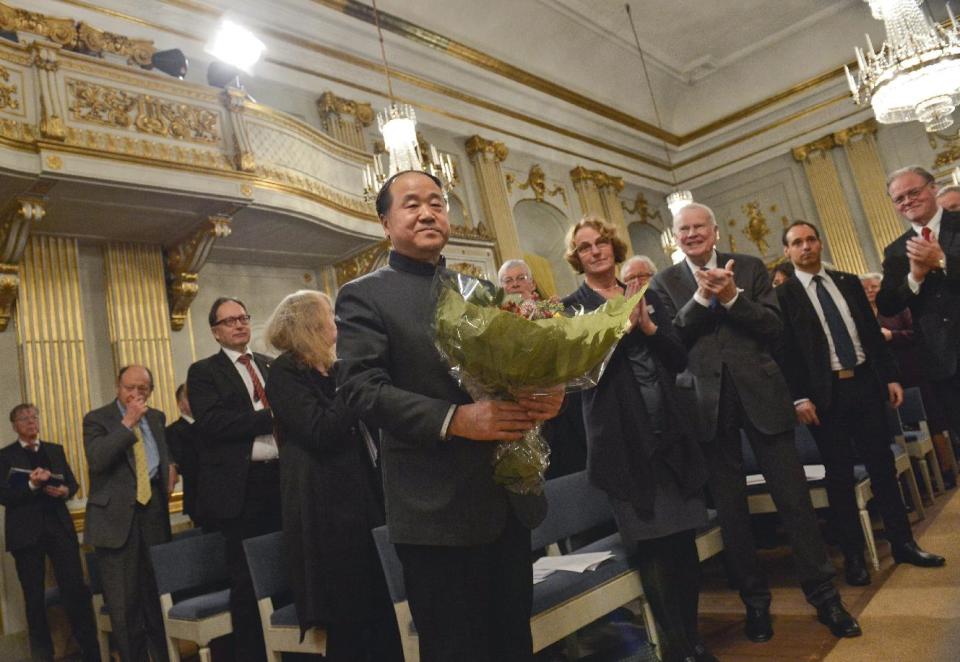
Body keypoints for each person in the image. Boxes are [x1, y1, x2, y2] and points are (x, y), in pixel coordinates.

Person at [336, 170, 563, 662]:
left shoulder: (480, 289)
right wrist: (454, 420)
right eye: (411, 204)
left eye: (437, 203)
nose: (427, 212)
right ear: (384, 221)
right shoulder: (365, 295)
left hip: (505, 501)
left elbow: (512, 375)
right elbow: (359, 389)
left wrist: (546, 394)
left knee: (514, 646)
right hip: (434, 513)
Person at [649, 203, 857, 641]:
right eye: (682, 229)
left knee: (795, 503)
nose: (691, 234)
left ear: (715, 231)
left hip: (763, 396)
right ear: (675, 236)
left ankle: (825, 598)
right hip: (706, 405)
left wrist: (731, 298)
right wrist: (705, 298)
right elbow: (672, 338)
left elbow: (774, 327)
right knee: (733, 515)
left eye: (698, 227)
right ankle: (755, 605)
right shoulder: (664, 281)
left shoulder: (749, 267)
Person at [562, 217, 714, 662]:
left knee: (683, 546)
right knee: (654, 549)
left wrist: (647, 328)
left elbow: (677, 356)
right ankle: (678, 647)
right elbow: (578, 374)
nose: (596, 251)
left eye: (601, 243)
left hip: (671, 437)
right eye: (585, 247)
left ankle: (692, 636)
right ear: (578, 258)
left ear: (614, 247)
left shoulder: (647, 295)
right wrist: (616, 330)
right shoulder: (572, 307)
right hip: (624, 446)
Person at [777, 221, 944, 585]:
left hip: (866, 386)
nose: (805, 247)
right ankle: (854, 557)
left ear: (819, 243)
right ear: (787, 252)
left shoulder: (848, 282)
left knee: (883, 468)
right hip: (825, 398)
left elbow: (869, 334)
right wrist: (799, 397)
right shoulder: (784, 297)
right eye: (796, 243)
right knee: (839, 478)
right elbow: (785, 352)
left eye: (810, 239)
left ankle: (903, 543)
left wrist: (891, 376)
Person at [264, 289, 402, 661]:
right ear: (311, 325)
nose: (337, 324)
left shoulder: (336, 369)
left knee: (381, 607)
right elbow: (320, 430)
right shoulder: (283, 373)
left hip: (361, 500)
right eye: (330, 316)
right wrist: (352, 384)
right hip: (325, 511)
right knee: (351, 619)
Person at [187, 297, 280, 662]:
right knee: (249, 581)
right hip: (242, 492)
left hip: (282, 479)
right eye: (229, 321)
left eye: (243, 318)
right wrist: (272, 418)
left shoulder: (271, 365)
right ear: (215, 332)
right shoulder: (204, 372)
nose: (240, 325)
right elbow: (213, 424)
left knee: (286, 568)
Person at [83, 365, 173, 662]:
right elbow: (97, 460)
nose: (135, 394)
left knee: (156, 603)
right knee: (125, 608)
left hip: (153, 517)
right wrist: (127, 423)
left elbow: (162, 458)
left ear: (150, 391)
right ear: (117, 387)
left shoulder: (158, 418)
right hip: (115, 524)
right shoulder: (97, 419)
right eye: (129, 388)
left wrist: (169, 471)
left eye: (142, 389)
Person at [0, 404, 100, 662]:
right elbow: (4, 495)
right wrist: (33, 484)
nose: (31, 421)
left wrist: (65, 491)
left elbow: (72, 482)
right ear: (15, 425)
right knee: (34, 600)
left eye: (35, 416)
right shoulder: (5, 456)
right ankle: (43, 657)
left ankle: (91, 652)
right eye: (25, 418)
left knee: (75, 591)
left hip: (59, 529)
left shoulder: (54, 449)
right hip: (26, 535)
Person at [878, 166, 960, 464]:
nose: (907, 201)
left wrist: (942, 261)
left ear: (932, 188)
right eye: (899, 199)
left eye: (913, 192)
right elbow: (887, 304)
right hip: (942, 362)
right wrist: (914, 277)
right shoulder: (896, 251)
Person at [861, 272, 955, 485]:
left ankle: (946, 470)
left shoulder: (898, 308)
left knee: (933, 421)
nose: (870, 291)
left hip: (914, 370)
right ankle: (919, 480)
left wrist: (891, 336)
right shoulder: (863, 314)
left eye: (874, 286)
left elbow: (916, 333)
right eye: (865, 288)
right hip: (889, 378)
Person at [165, 383, 202, 526]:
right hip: (198, 497)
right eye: (190, 397)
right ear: (180, 404)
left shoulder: (211, 425)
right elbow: (183, 463)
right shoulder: (172, 431)